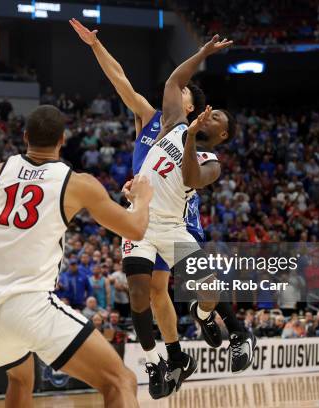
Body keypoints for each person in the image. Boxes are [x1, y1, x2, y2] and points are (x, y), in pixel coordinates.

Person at [0, 105, 152, 408]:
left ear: (24, 136)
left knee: (21, 378)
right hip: (28, 307)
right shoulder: (77, 183)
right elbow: (135, 229)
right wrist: (142, 199)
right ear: (63, 140)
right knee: (121, 381)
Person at [71, 18, 210, 397]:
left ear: (191, 107)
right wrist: (95, 46)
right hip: (141, 216)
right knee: (147, 290)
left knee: (166, 288)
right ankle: (172, 356)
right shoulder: (148, 117)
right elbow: (120, 80)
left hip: (174, 214)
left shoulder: (189, 134)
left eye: (182, 92)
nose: (175, 92)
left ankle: (193, 334)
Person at [122, 34, 256, 393]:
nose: (210, 114)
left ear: (222, 134)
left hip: (171, 226)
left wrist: (193, 137)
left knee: (207, 288)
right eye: (209, 110)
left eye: (218, 118)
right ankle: (156, 363)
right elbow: (173, 82)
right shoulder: (173, 124)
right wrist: (202, 53)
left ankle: (204, 314)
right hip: (139, 219)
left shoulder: (211, 161)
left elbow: (190, 177)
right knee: (139, 292)